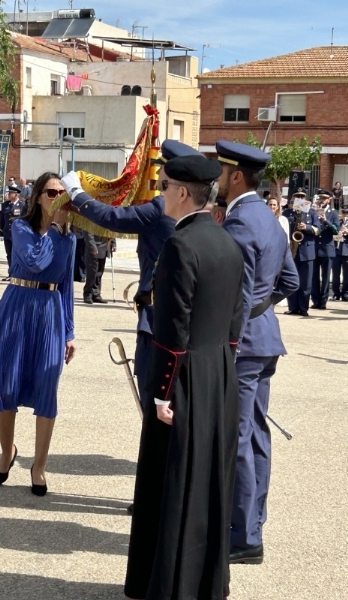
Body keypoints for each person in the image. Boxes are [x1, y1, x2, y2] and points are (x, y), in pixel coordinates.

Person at [125, 154, 244, 600]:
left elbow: (172, 330)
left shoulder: (180, 245)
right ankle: (202, 583)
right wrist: (222, 372)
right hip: (218, 373)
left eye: (162, 184)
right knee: (208, 478)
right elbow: (235, 326)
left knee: (171, 480)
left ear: (180, 192)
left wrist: (161, 392)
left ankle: (169, 583)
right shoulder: (227, 242)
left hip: (184, 376)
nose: (158, 192)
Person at [61, 139, 200, 412]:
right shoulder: (200, 210)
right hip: (186, 314)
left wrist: (77, 192)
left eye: (162, 170)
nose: (157, 175)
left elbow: (114, 218)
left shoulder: (160, 209)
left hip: (156, 316)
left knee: (154, 393)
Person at [216, 140, 299, 566]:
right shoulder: (267, 219)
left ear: (236, 176)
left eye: (221, 172)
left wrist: (228, 341)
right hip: (265, 339)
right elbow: (291, 281)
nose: (215, 180)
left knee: (239, 436)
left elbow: (235, 297)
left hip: (244, 346)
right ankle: (253, 521)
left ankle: (244, 534)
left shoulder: (240, 224)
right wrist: (263, 310)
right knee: (257, 435)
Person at [0, 172, 76, 497]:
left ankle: (39, 466)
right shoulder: (20, 227)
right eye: (52, 192)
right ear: (37, 196)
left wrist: (69, 331)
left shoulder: (70, 238)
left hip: (50, 312)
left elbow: (66, 287)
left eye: (64, 193)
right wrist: (52, 226)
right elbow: (35, 262)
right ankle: (7, 451)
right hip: (17, 306)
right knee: (6, 383)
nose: (58, 198)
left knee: (46, 387)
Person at [283, 188, 320, 316]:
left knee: (305, 283)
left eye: (302, 197)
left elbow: (318, 230)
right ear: (293, 199)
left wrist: (307, 227)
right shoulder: (287, 213)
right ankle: (293, 307)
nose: (299, 199)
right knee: (291, 280)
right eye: (297, 196)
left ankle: (303, 308)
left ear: (305, 199)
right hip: (292, 250)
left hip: (307, 251)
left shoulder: (312, 213)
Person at [311, 189, 340, 309]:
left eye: (324, 198)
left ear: (329, 200)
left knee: (326, 276)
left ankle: (323, 302)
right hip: (315, 248)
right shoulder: (313, 211)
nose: (321, 201)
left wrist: (326, 221)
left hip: (327, 249)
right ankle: (315, 300)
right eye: (320, 198)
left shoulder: (333, 213)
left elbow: (336, 230)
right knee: (314, 276)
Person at [0, 184, 27, 280]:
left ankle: (17, 274)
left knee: (17, 255)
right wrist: (1, 233)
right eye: (9, 193)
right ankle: (11, 274)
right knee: (9, 254)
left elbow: (26, 221)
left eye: (11, 193)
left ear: (16, 195)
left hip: (18, 236)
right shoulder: (5, 205)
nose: (8, 194)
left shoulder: (23, 206)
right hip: (7, 234)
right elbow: (2, 220)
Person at [83, 232, 113, 304]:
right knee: (92, 273)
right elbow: (88, 234)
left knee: (99, 273)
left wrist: (113, 243)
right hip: (94, 247)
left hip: (104, 246)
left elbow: (112, 229)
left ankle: (96, 293)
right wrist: (92, 246)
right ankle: (88, 293)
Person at [331, 210, 348, 301]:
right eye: (344, 213)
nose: (345, 215)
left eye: (347, 213)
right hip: (337, 251)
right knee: (335, 274)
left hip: (347, 252)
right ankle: (336, 293)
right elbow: (333, 232)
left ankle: (345, 293)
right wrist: (337, 233)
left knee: (346, 275)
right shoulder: (339, 222)